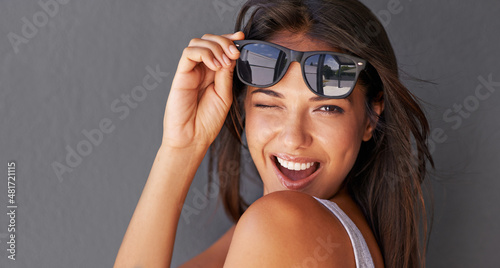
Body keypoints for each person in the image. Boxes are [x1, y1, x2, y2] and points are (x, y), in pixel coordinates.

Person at [114, 0, 433, 267]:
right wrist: (182, 145)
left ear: (370, 118)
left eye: (325, 109)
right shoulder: (276, 228)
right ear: (242, 109)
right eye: (269, 104)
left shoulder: (279, 223)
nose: (294, 138)